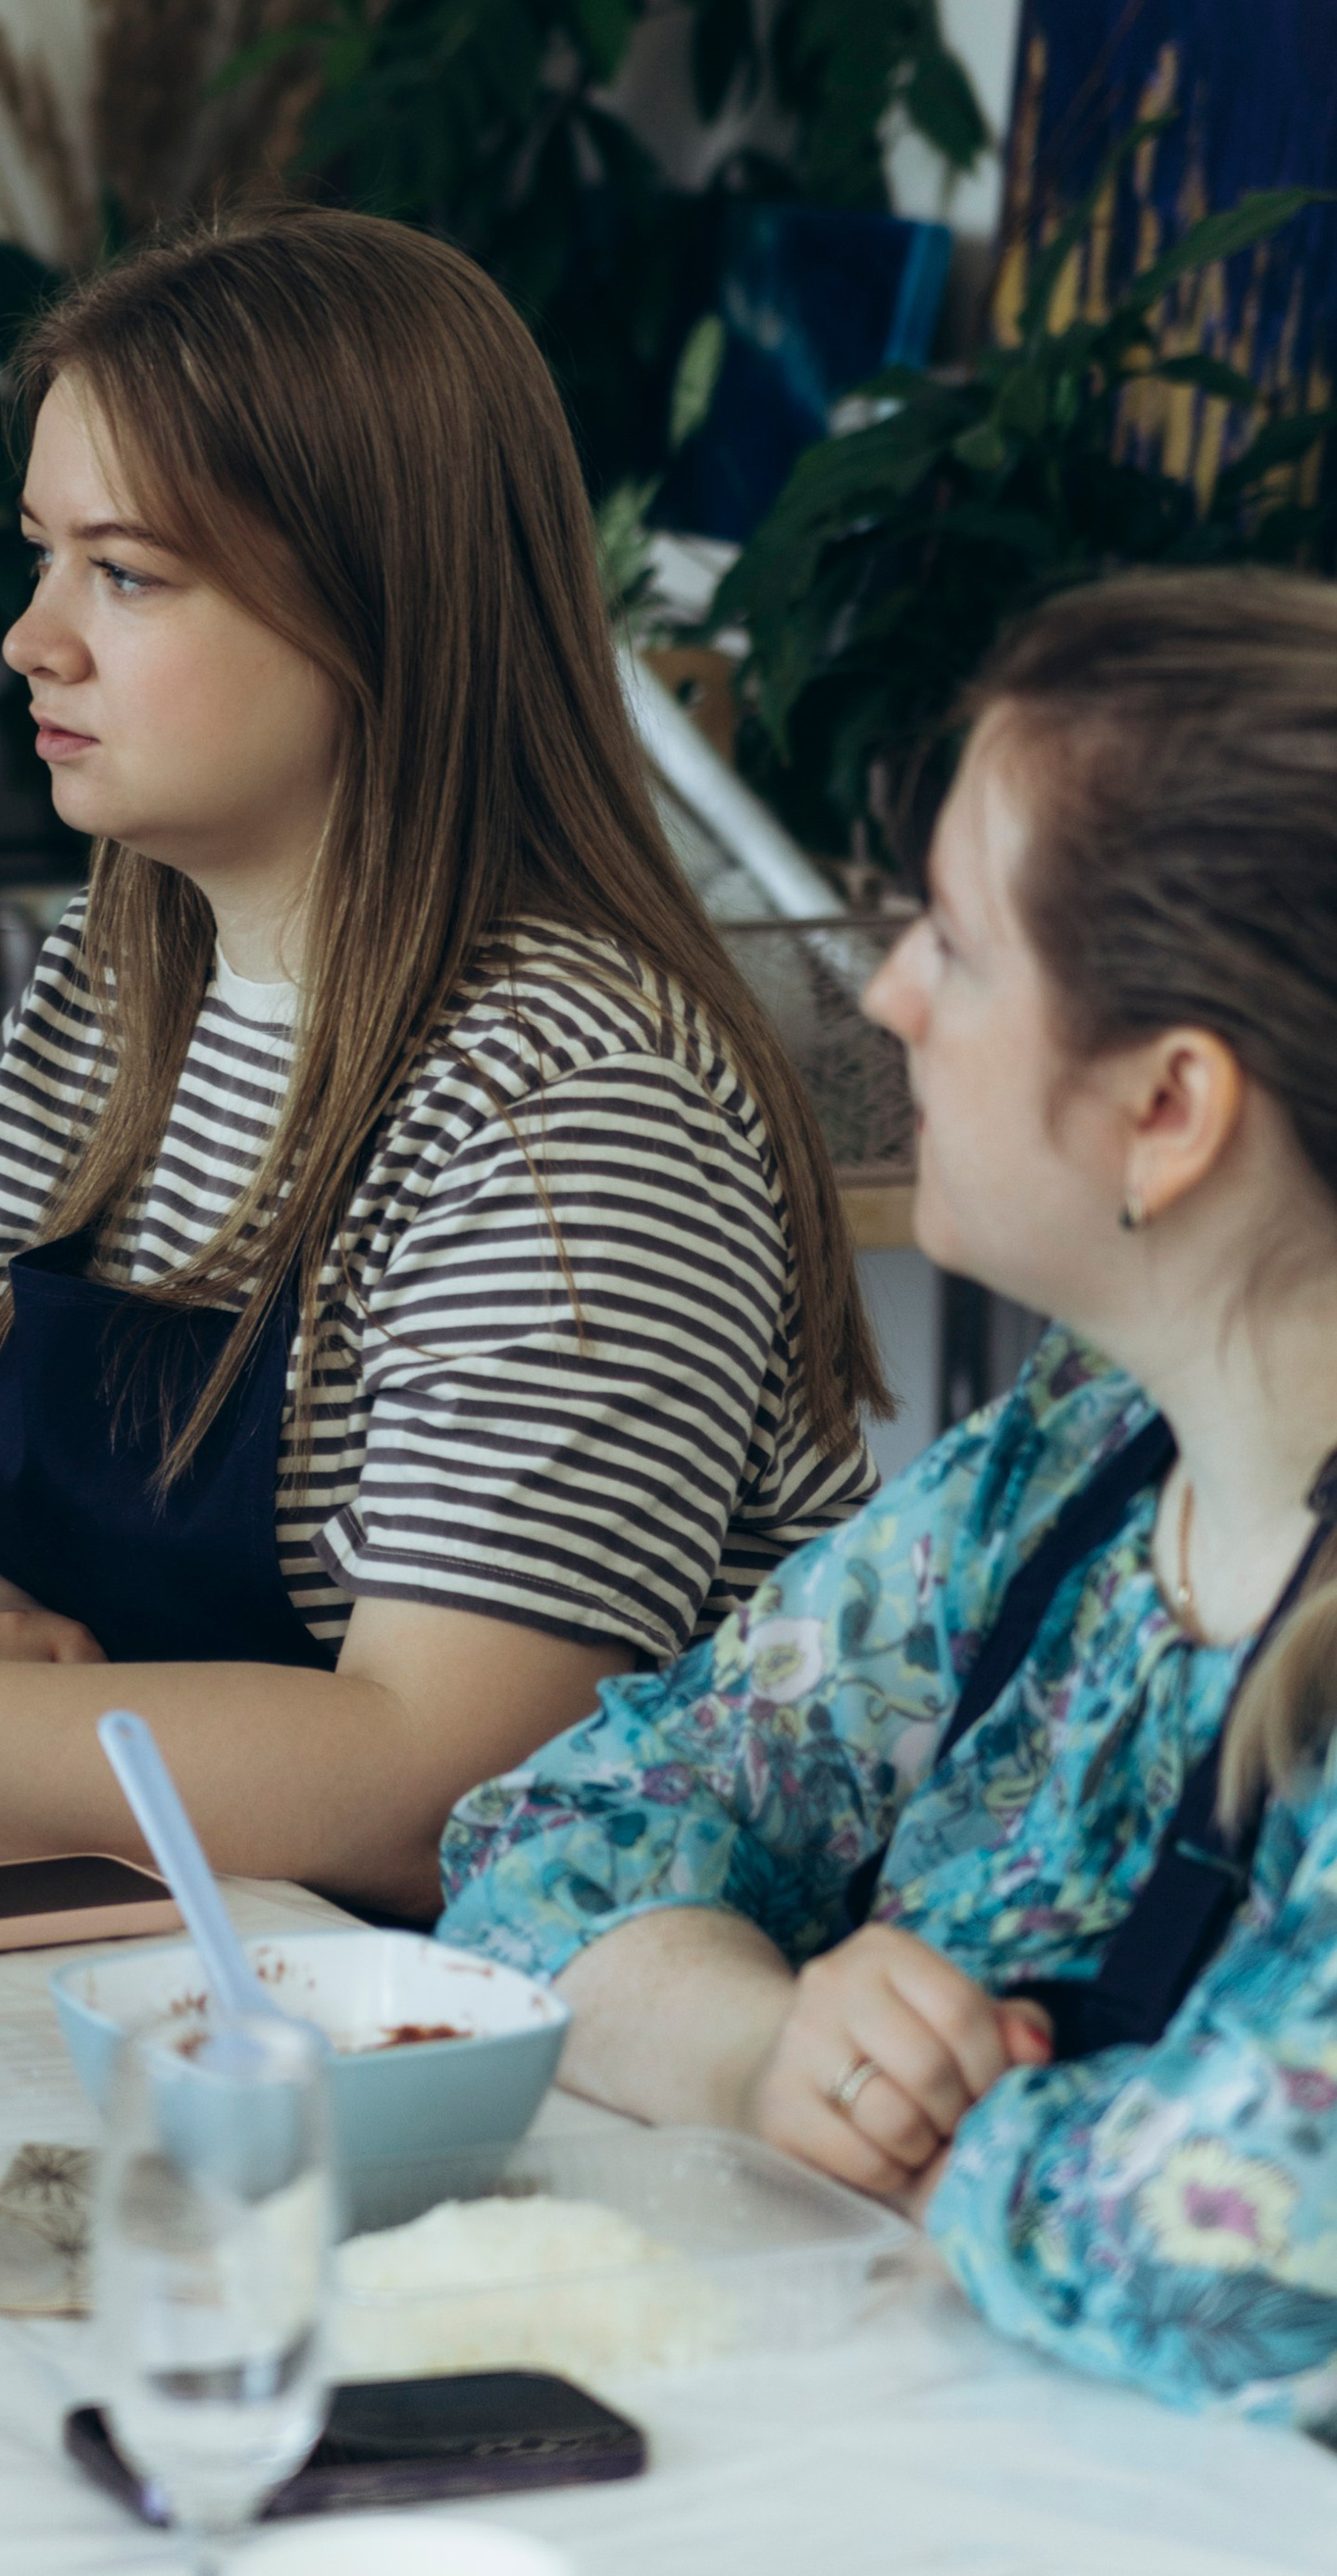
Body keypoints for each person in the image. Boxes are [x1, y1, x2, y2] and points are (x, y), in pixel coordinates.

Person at [0, 212, 882, 1918]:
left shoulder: (576, 1101)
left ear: (374, 608)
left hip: (493, 2051)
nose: (32, 640)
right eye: (42, 555)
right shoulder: (124, 975)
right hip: (175, 1951)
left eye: (125, 574)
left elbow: (437, 1786)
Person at [439, 568, 1337, 2421]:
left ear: (1170, 1107)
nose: (888, 988)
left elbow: (1254, 2244)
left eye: (958, 940)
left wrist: (938, 2125)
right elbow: (555, 1832)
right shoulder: (1081, 1453)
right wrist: (779, 2045)